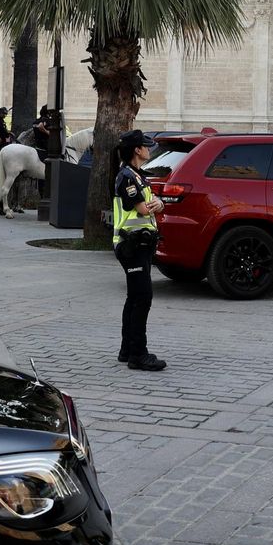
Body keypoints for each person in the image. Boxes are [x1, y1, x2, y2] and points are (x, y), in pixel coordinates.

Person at [113, 130, 166, 371]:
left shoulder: (137, 175)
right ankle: (138, 355)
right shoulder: (127, 177)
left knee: (134, 297)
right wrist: (155, 206)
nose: (149, 149)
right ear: (137, 150)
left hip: (139, 244)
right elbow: (144, 209)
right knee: (143, 298)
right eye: (146, 146)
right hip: (131, 245)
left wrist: (158, 203)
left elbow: (153, 203)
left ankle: (127, 350)